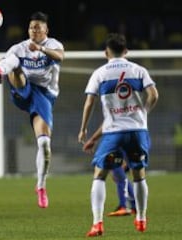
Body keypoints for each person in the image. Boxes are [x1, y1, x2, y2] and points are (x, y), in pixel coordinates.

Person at [0, 11, 64, 208]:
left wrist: (40, 48)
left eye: (38, 28)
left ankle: (40, 186)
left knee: (45, 146)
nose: (34, 31)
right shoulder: (20, 48)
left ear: (46, 30)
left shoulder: (54, 45)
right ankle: (1, 74)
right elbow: (5, 59)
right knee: (15, 65)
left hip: (44, 96)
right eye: (31, 28)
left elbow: (60, 57)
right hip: (23, 90)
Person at [77, 33, 158, 237]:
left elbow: (89, 103)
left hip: (114, 133)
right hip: (138, 132)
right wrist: (143, 113)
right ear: (126, 51)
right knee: (139, 175)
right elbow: (154, 95)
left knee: (100, 175)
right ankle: (141, 218)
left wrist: (84, 129)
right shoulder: (139, 70)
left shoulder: (100, 73)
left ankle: (98, 224)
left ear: (106, 52)